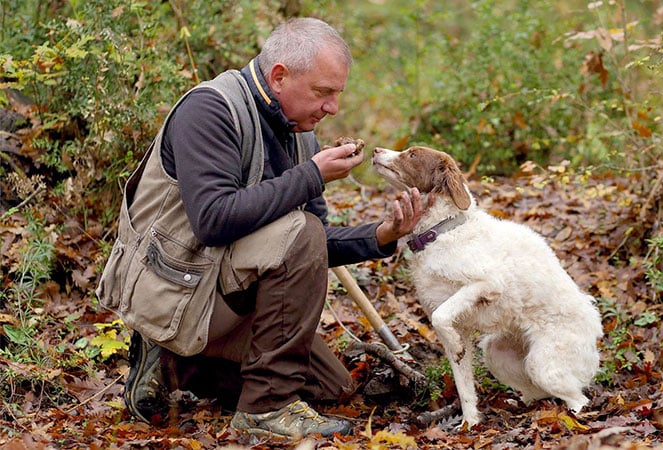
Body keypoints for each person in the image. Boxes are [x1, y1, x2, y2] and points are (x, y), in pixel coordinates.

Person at [97, 17, 425, 439]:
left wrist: (381, 235)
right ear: (279, 76)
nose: (333, 108)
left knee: (331, 386)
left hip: (228, 290)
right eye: (323, 93)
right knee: (301, 232)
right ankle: (266, 410)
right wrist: (312, 175)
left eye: (337, 94)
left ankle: (179, 365)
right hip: (177, 291)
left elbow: (315, 244)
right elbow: (213, 221)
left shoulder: (298, 131)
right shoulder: (210, 109)